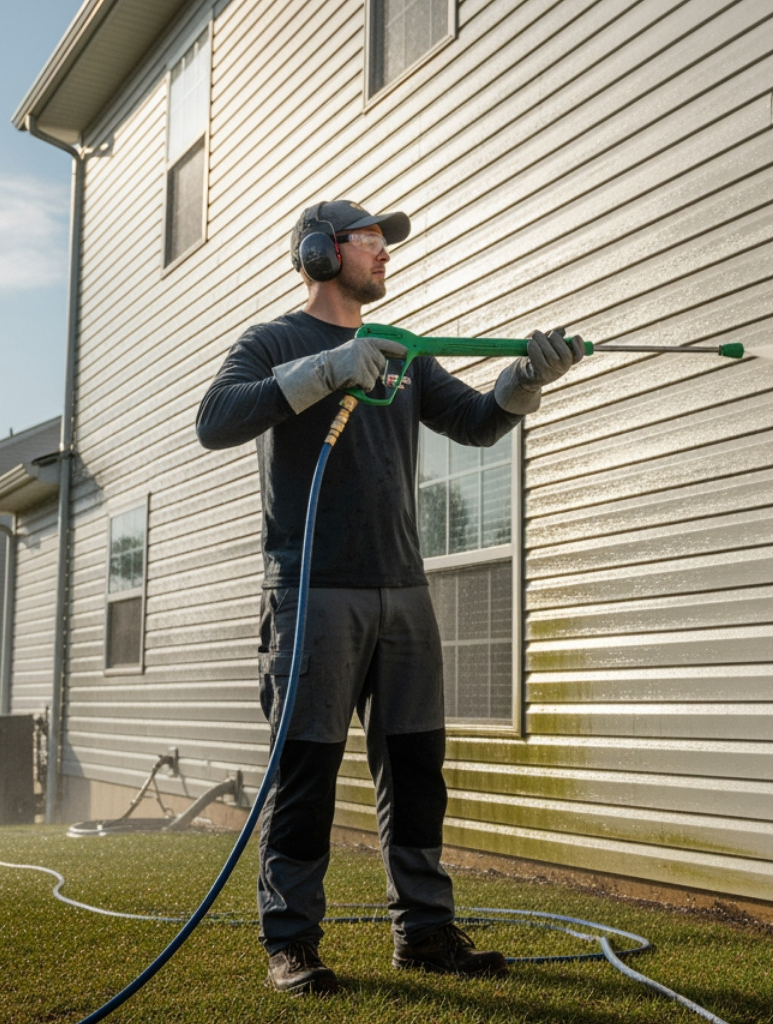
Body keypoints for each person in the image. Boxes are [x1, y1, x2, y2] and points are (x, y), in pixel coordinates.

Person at [195, 199, 583, 994]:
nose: (383, 253)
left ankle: (426, 933)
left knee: (415, 769)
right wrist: (325, 371)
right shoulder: (274, 341)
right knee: (305, 768)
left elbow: (476, 423)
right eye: (369, 240)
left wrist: (523, 380)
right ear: (318, 252)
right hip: (313, 590)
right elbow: (215, 420)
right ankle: (292, 943)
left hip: (404, 590)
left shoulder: (404, 351)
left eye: (383, 241)